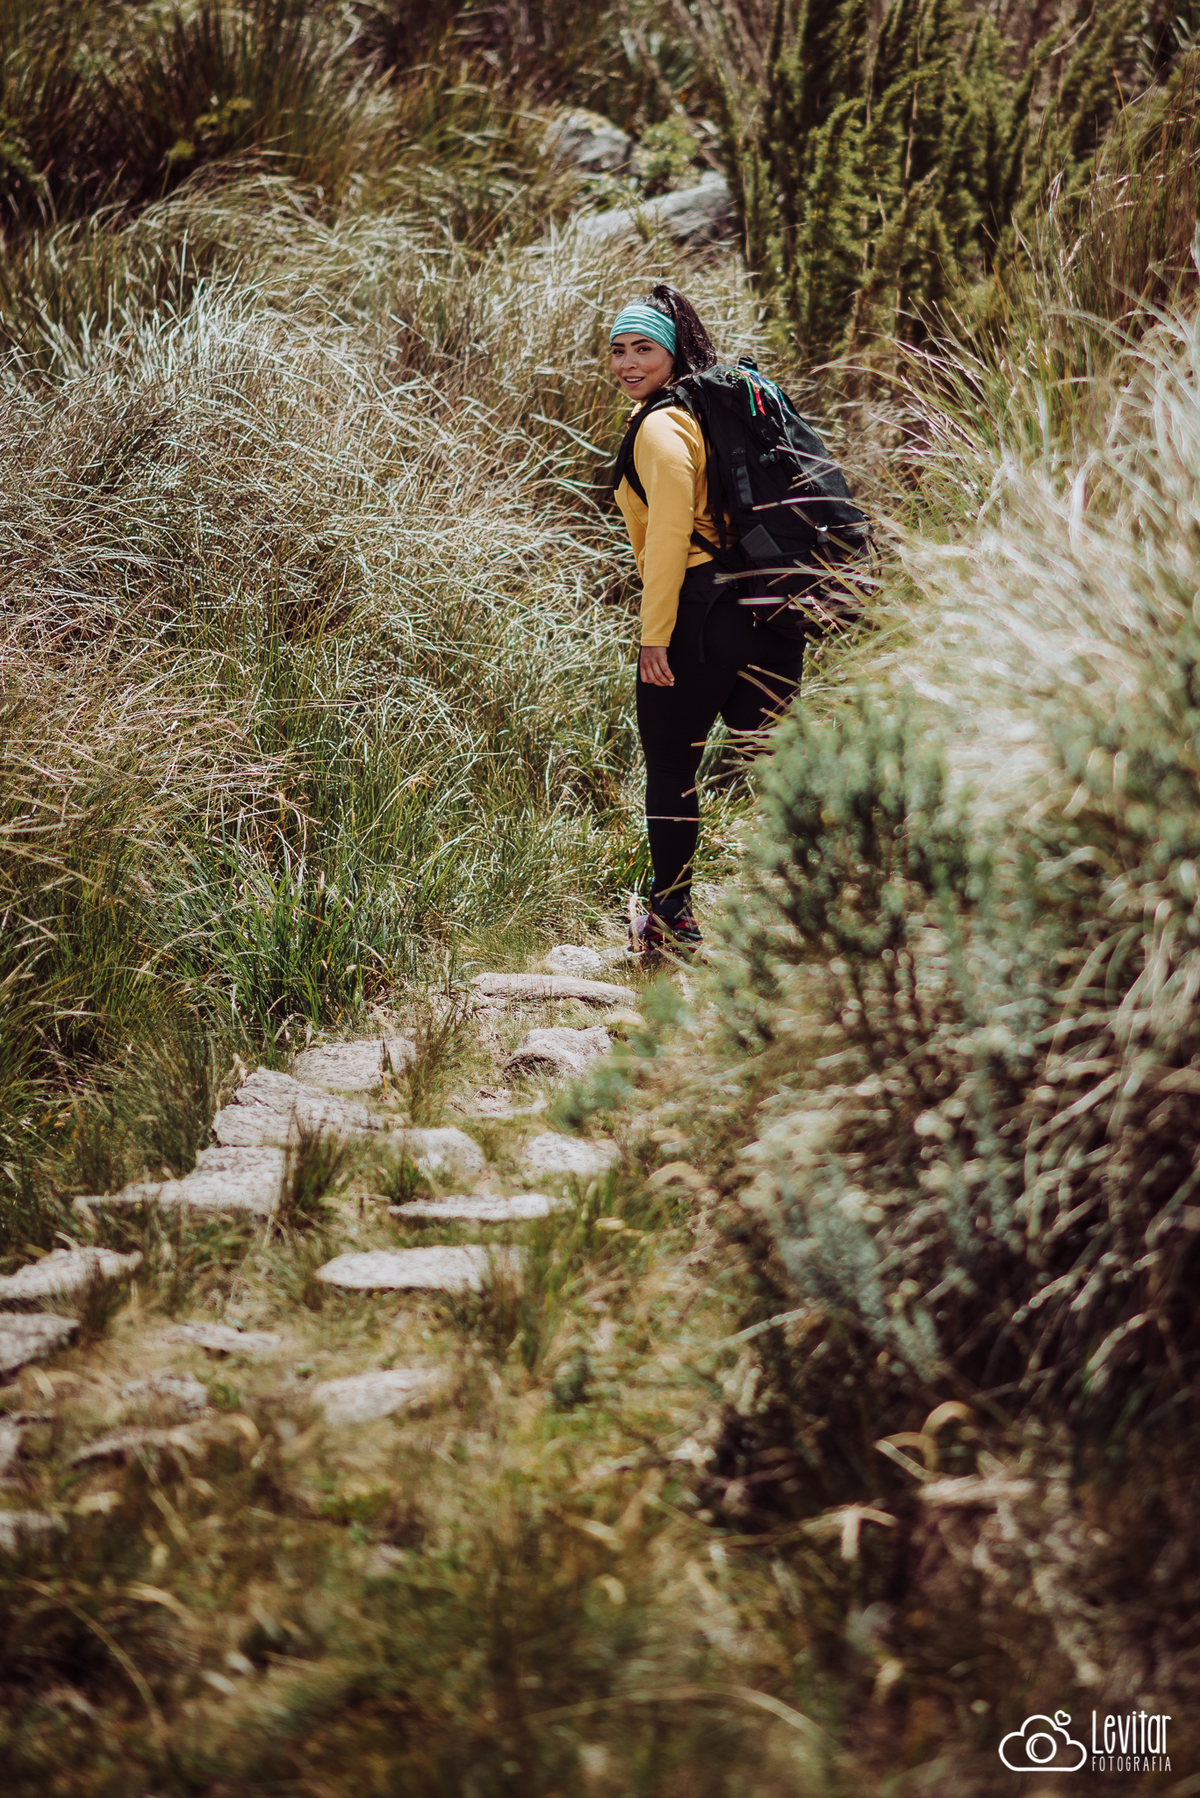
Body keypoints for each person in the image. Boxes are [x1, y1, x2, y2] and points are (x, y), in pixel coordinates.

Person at [610, 283, 804, 957]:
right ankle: (823, 897)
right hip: (770, 611)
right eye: (618, 349)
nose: (629, 364)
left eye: (644, 349)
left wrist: (653, 635)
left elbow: (667, 537)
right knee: (777, 765)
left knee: (671, 765)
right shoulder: (722, 413)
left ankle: (672, 916)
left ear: (673, 351)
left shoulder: (662, 427)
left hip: (700, 614)